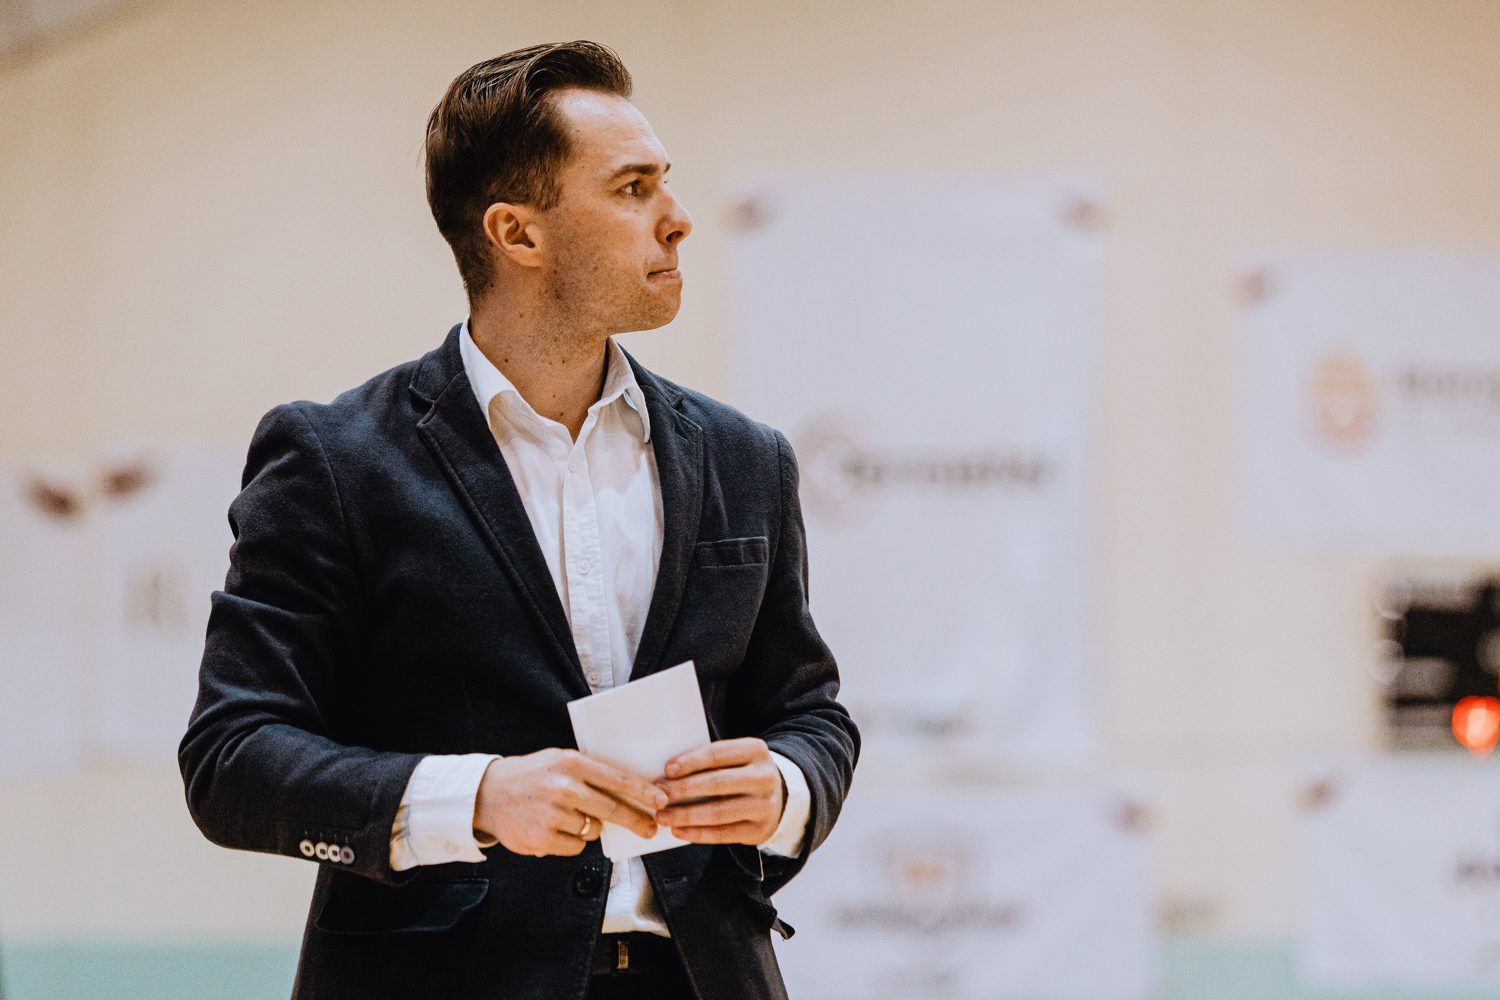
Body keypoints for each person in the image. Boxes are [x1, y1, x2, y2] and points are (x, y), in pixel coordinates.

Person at [179, 40, 858, 1000]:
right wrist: (478, 799)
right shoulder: (335, 460)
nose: (678, 217)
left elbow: (810, 715)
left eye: (665, 182)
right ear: (517, 233)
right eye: (634, 188)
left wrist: (784, 788)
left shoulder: (748, 458)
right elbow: (233, 759)